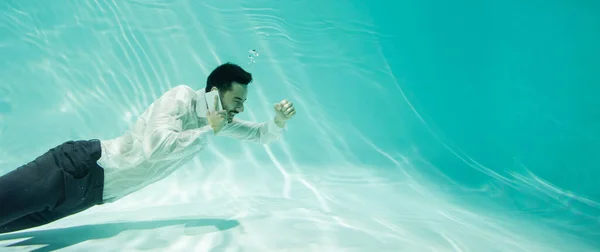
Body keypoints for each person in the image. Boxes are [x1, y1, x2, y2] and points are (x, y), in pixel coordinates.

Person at [0, 62, 296, 234]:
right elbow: (157, 147)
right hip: (78, 166)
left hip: (92, 196)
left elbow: (260, 136)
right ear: (216, 94)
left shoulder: (217, 120)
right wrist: (210, 129)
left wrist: (278, 121)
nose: (241, 110)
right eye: (238, 101)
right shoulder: (181, 98)